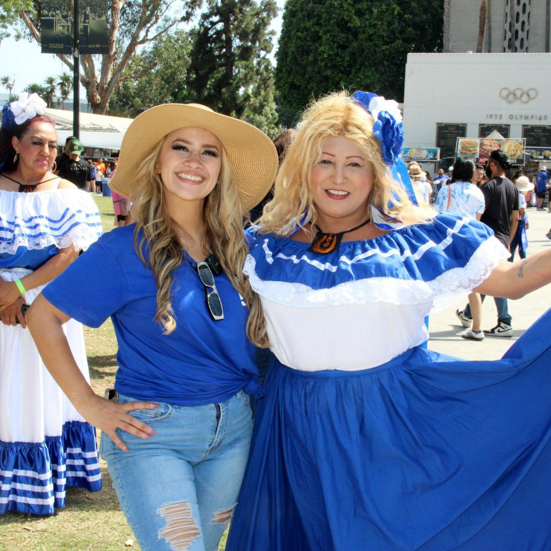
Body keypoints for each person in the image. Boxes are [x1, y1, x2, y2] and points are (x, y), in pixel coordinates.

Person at [225, 91, 551, 551]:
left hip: (391, 425)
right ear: (303, 166)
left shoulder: (414, 239)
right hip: (291, 422)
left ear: (376, 170)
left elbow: (514, 279)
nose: (338, 177)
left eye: (355, 163)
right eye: (325, 161)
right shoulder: (266, 242)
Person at [27, 103, 278, 550]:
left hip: (236, 430)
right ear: (158, 164)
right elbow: (44, 315)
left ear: (222, 169)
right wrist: (89, 405)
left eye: (209, 152)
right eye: (180, 147)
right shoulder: (123, 250)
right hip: (154, 435)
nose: (194, 161)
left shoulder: (246, 248)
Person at [0, 93, 102, 515]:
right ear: (15, 144)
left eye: (53, 145)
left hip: (46, 304)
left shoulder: (68, 195)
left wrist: (20, 292)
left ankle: (44, 471)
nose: (47, 152)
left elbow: (71, 253)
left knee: (41, 384)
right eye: (37, 142)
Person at [457, 149, 519, 337]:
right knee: (485, 278)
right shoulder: (512, 187)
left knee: (491, 280)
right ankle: (469, 314)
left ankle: (505, 320)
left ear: (493, 165)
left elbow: (479, 215)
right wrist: (508, 240)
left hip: (488, 240)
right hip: (504, 238)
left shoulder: (489, 188)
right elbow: (515, 218)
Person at [435, 158, 485, 340]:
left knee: (432, 282)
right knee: (473, 286)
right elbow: (478, 219)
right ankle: (477, 328)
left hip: (447, 239)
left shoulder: (446, 190)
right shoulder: (478, 192)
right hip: (471, 241)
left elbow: (437, 216)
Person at [510, 175, 533, 261]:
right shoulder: (520, 196)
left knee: (513, 243)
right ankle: (523, 261)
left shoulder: (512, 193)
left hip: (512, 220)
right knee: (520, 243)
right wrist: (526, 221)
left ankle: (512, 261)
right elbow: (522, 210)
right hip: (519, 221)